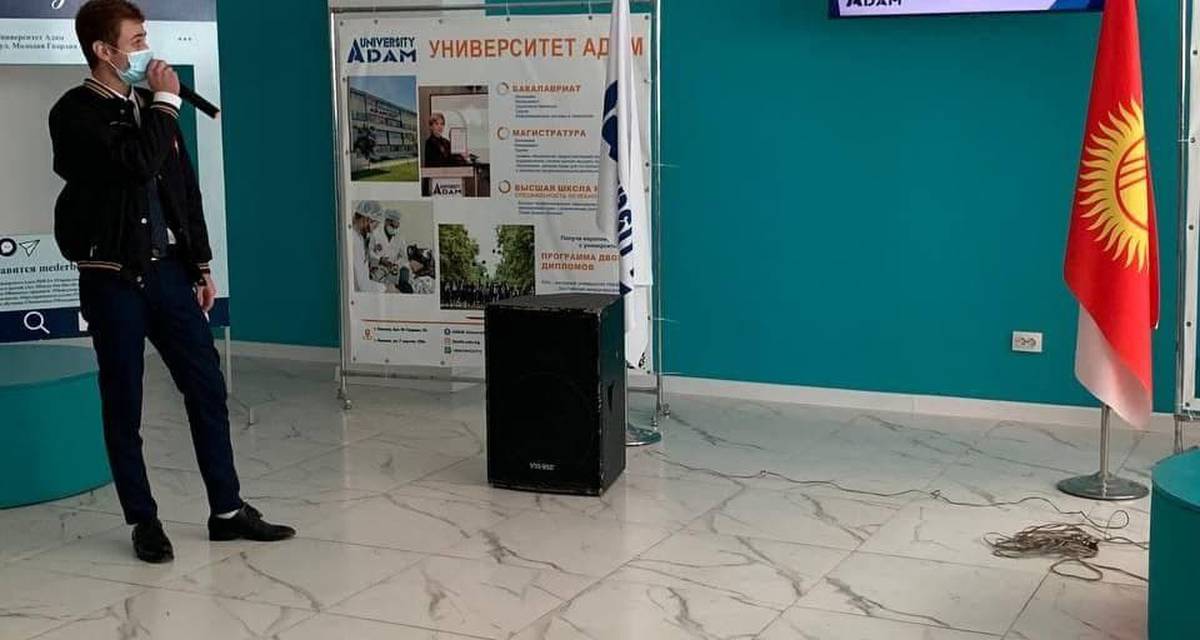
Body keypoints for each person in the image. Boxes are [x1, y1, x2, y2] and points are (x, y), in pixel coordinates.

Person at [49, 0, 294, 564]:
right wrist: (165, 103)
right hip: (113, 279)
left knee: (207, 388)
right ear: (103, 50)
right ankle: (144, 520)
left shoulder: (151, 108)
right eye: (136, 40)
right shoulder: (75, 114)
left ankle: (227, 511)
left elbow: (182, 190)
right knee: (124, 402)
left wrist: (200, 264)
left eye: (145, 37)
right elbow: (134, 164)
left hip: (168, 275)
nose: (147, 50)